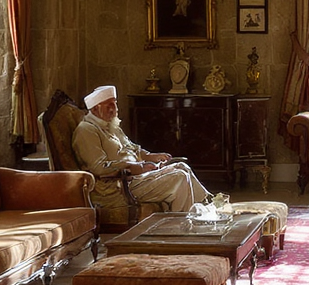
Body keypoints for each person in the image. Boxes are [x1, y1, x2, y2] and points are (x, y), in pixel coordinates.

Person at [72, 85, 209, 224]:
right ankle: (179, 225)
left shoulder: (110, 125)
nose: (114, 108)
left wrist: (150, 156)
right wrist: (135, 167)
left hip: (137, 177)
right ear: (95, 108)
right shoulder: (86, 131)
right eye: (109, 105)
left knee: (181, 166)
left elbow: (132, 148)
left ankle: (207, 206)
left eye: (115, 103)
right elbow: (99, 167)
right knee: (179, 177)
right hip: (118, 186)